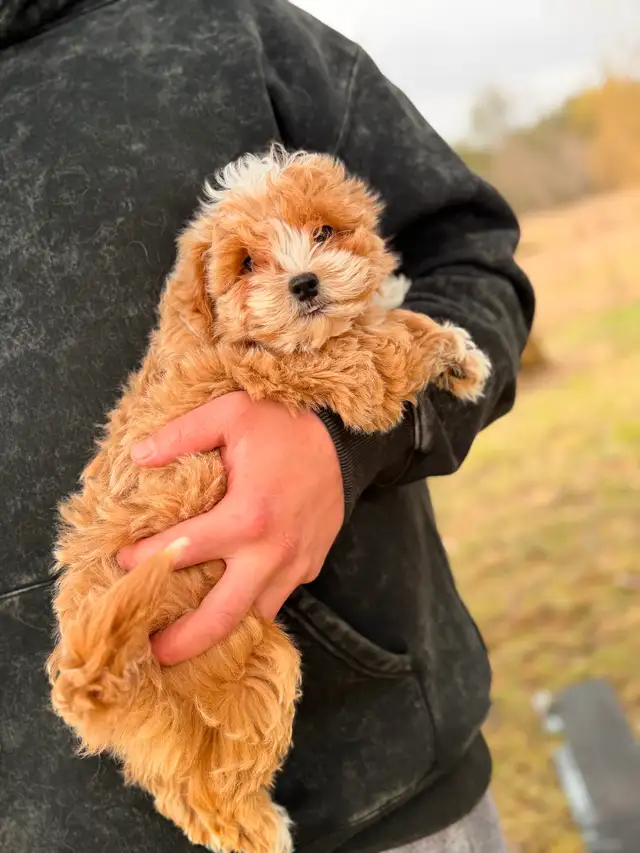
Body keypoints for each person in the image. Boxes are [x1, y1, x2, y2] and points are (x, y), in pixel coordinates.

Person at [0, 1, 534, 852]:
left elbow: (471, 256)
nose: (301, 265)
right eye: (253, 260)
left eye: (322, 233)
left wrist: (340, 443)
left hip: (377, 793)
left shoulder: (224, 27)